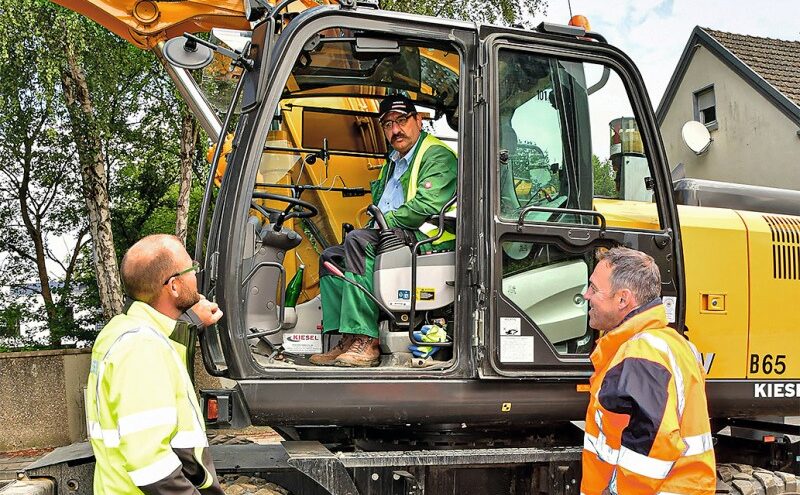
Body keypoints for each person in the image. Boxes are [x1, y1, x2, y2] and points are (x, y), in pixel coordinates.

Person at [309, 94, 457, 367]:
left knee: (358, 242)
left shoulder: (437, 155)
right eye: (388, 125)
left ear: (418, 120)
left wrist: (384, 221)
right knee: (331, 257)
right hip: (396, 233)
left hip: (426, 237)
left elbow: (425, 205)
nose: (395, 130)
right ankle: (347, 336)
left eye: (401, 121)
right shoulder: (393, 161)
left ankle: (367, 339)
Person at [86, 234, 225, 494]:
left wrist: (192, 321)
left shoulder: (122, 331)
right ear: (173, 286)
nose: (197, 275)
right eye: (191, 268)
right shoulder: (142, 347)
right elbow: (151, 464)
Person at [580, 247, 716, 495]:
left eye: (594, 289)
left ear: (623, 299)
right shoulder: (670, 344)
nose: (586, 295)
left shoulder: (642, 354)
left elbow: (654, 445)